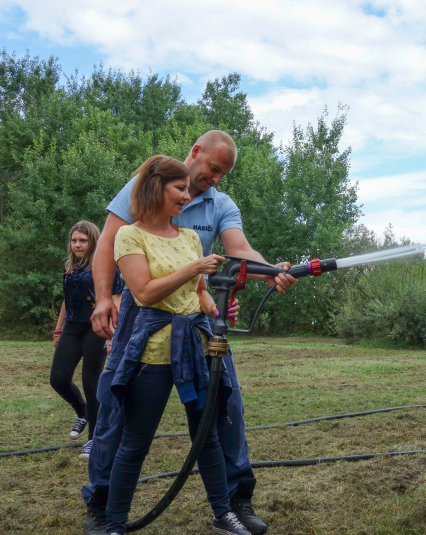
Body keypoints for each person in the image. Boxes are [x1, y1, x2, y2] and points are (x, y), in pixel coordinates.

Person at [83, 130, 297, 535]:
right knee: (119, 418)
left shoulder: (216, 209)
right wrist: (102, 298)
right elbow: (109, 244)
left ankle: (233, 503)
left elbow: (240, 251)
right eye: (213, 169)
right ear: (195, 153)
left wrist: (271, 273)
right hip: (142, 324)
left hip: (198, 329)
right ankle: (103, 507)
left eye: (223, 174)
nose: (215, 180)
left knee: (223, 414)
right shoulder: (144, 186)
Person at [105, 154, 248, 535]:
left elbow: (200, 293)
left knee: (207, 436)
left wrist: (217, 313)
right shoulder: (129, 235)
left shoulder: (188, 238)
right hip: (152, 354)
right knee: (135, 443)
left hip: (195, 349)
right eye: (180, 189)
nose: (188, 196)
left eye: (188, 189)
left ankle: (223, 513)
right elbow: (145, 293)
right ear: (156, 187)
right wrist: (193, 268)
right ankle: (115, 523)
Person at [51, 221, 122, 459]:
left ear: (93, 242)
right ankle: (82, 412)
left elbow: (116, 297)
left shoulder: (105, 266)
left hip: (97, 326)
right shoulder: (71, 266)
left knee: (91, 383)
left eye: (83, 240)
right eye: (74, 240)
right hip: (72, 326)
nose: (77, 245)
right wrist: (58, 330)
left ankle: (95, 439)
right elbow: (67, 300)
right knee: (58, 379)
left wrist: (113, 333)